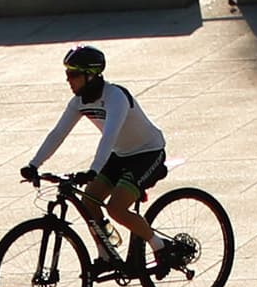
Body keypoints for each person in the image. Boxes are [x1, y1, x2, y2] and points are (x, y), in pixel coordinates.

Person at [22, 45, 173, 266]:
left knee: (116, 209)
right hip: (120, 155)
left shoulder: (115, 97)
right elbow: (57, 134)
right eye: (67, 74)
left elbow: (109, 137)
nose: (68, 80)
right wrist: (33, 164)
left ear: (90, 75)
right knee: (89, 202)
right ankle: (106, 254)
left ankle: (161, 247)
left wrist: (93, 170)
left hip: (148, 153)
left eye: (73, 74)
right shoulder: (79, 102)